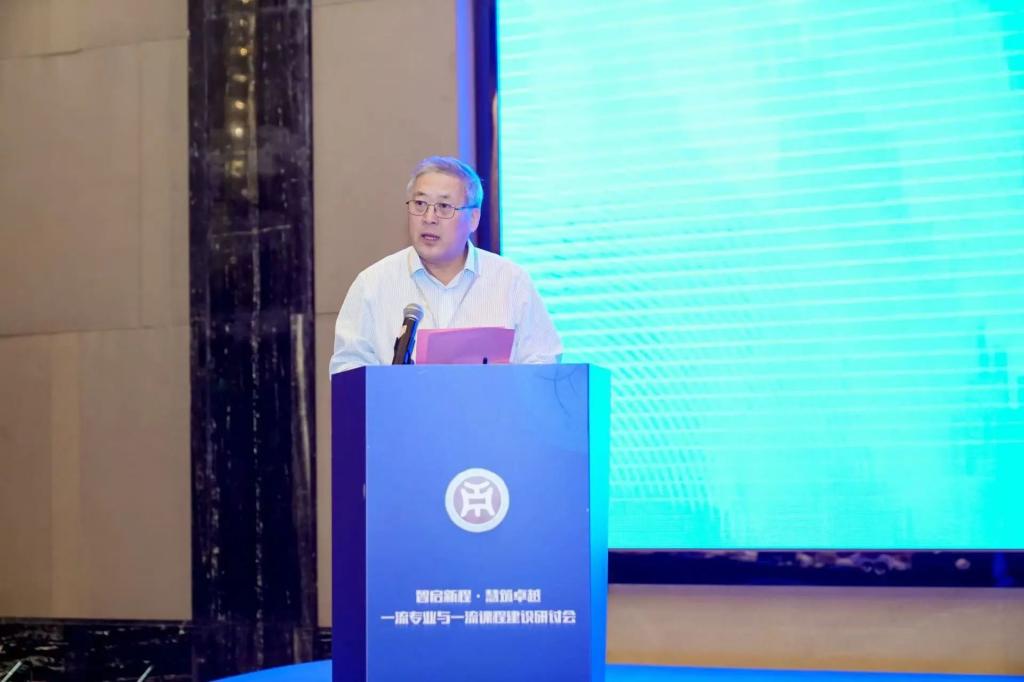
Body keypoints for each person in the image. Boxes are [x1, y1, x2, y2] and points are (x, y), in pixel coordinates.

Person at [329, 155, 562, 373]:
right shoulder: (372, 285)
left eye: (444, 207)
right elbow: (347, 369)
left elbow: (543, 365)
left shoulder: (511, 281)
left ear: (473, 218)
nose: (429, 218)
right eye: (420, 204)